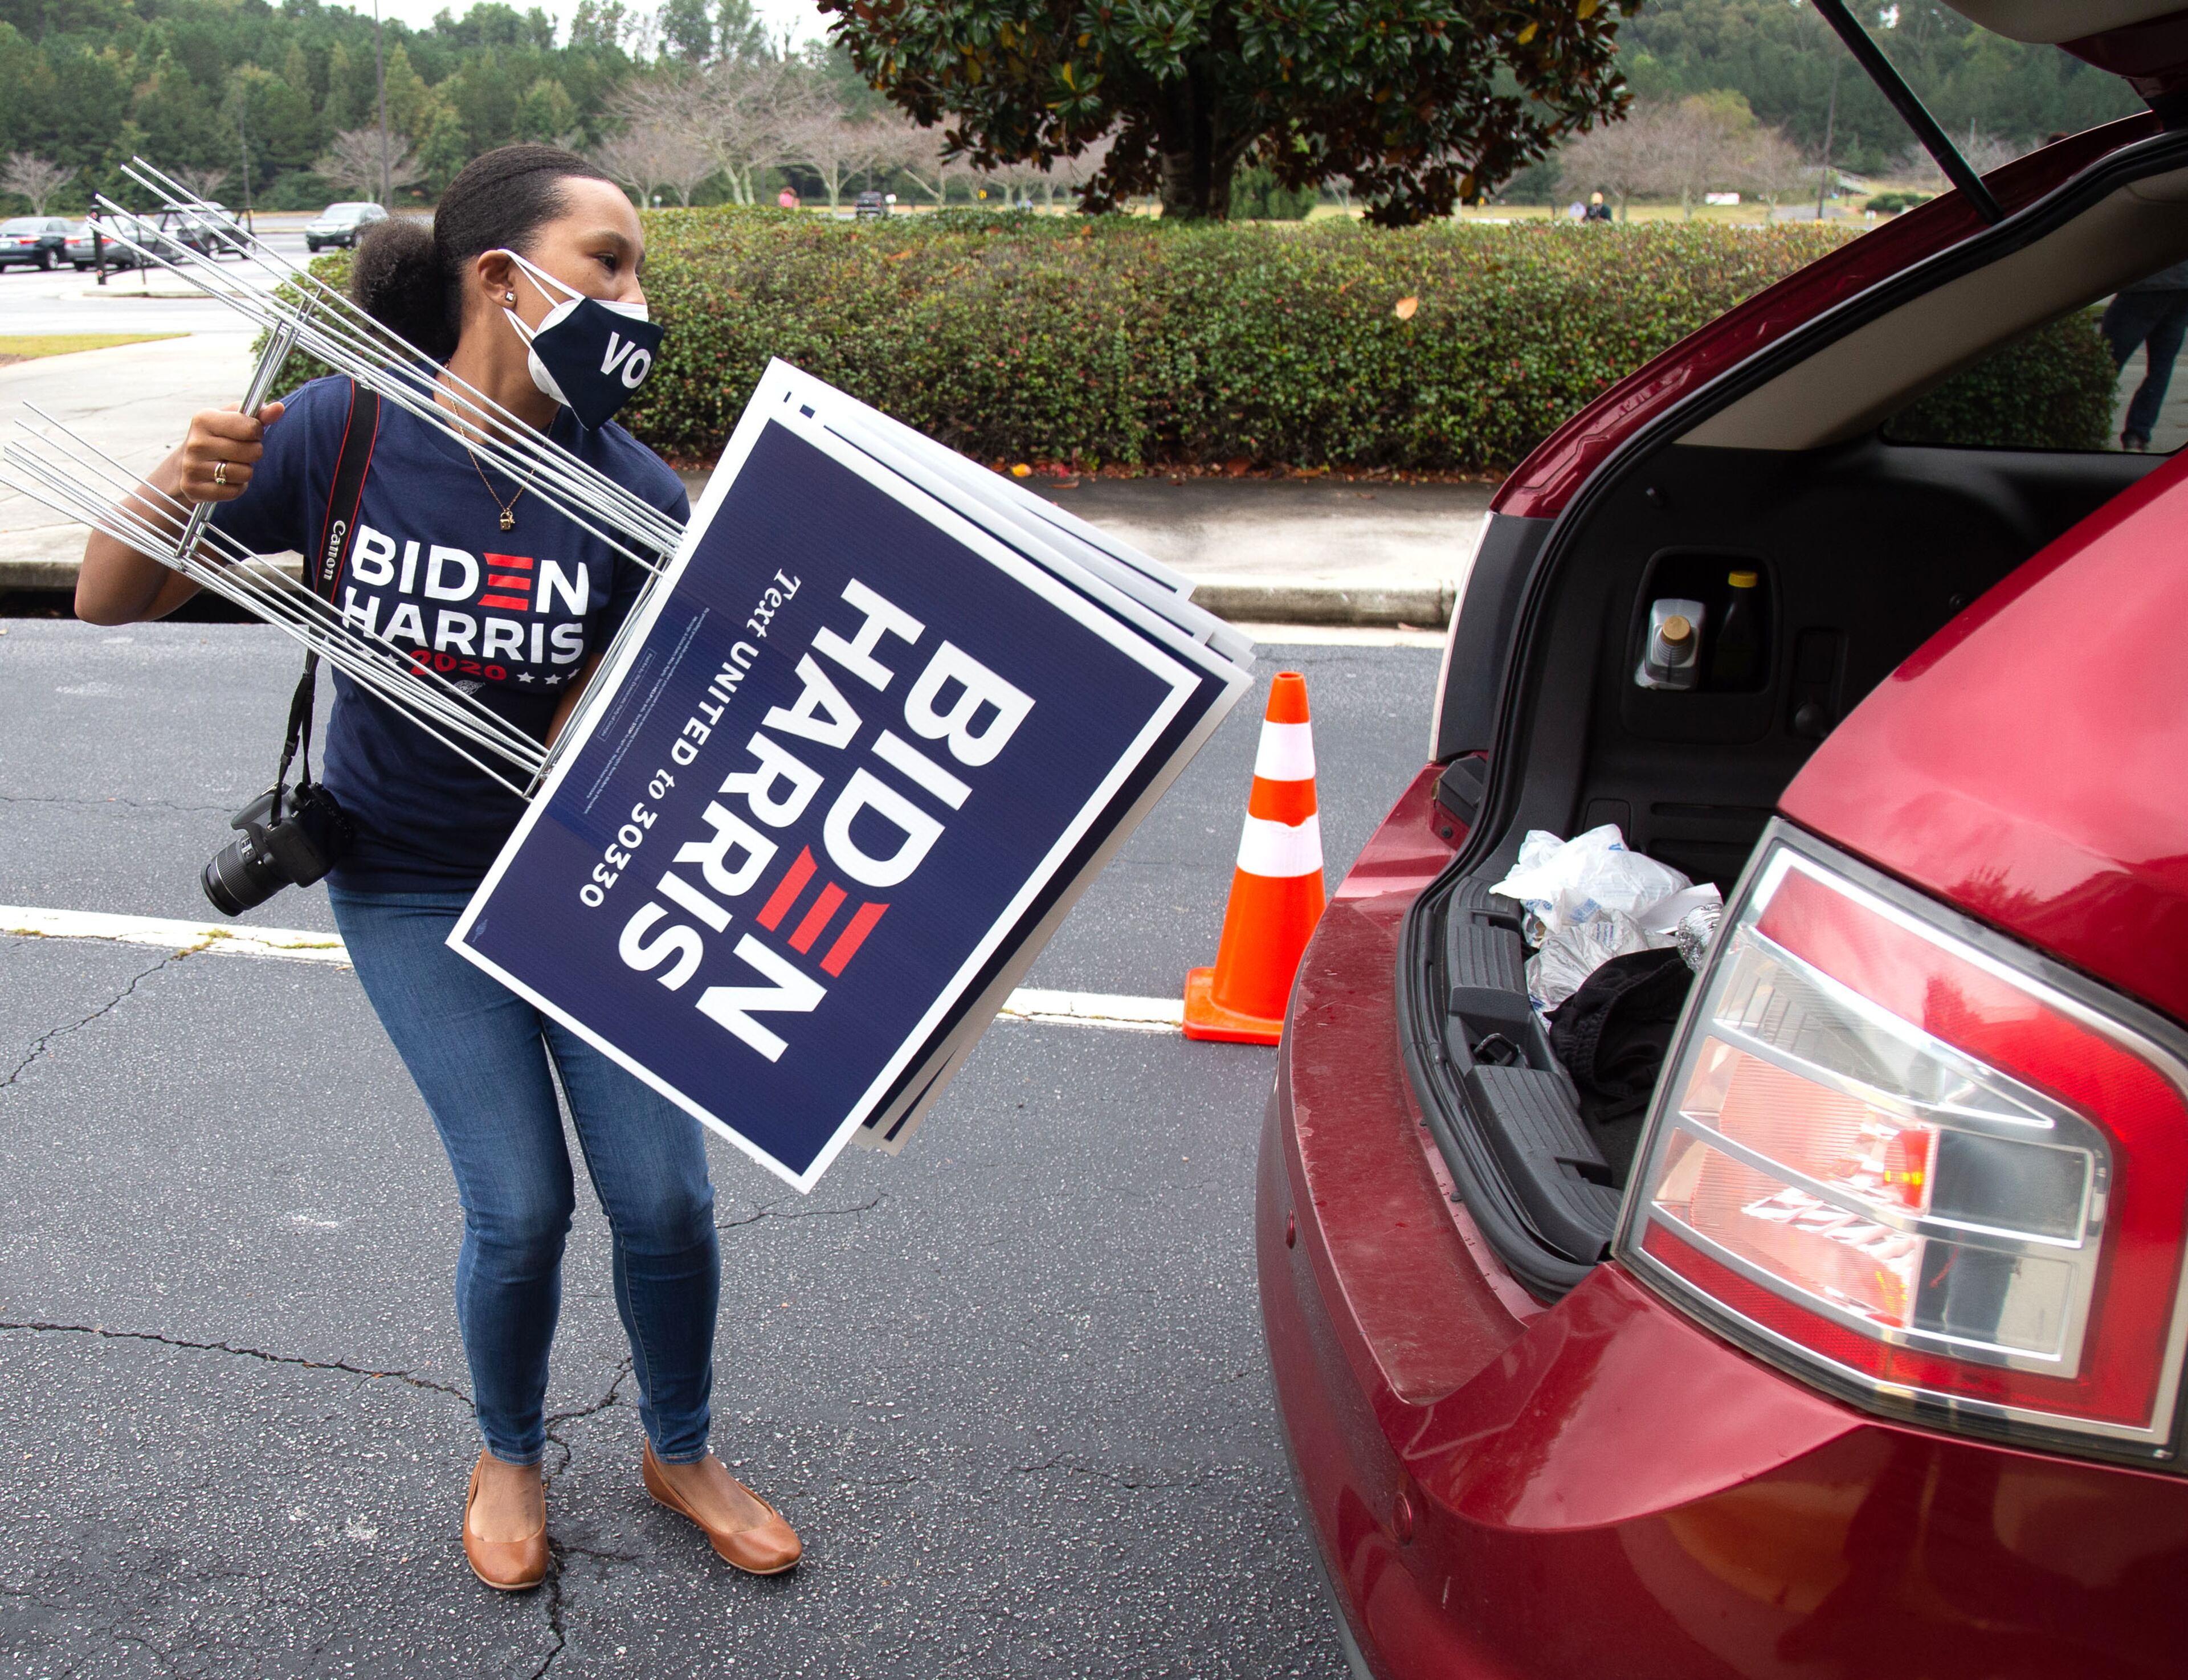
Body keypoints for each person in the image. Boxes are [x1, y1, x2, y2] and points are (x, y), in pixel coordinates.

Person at [74, 145, 802, 1595]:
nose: (636, 299)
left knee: (665, 1200)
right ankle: (510, 1454)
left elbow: (668, 717)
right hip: (408, 888)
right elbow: (106, 598)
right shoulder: (340, 432)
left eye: (637, 269)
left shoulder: (629, 490)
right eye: (608, 263)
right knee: (519, 1204)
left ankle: (680, 1446)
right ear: (499, 277)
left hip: (587, 891)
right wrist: (176, 476)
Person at [2100, 257, 2188, 450]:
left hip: (2148, 280)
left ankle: (2086, 419)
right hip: (2182, 283)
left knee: (2104, 359)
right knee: (2161, 367)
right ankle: (2138, 433)